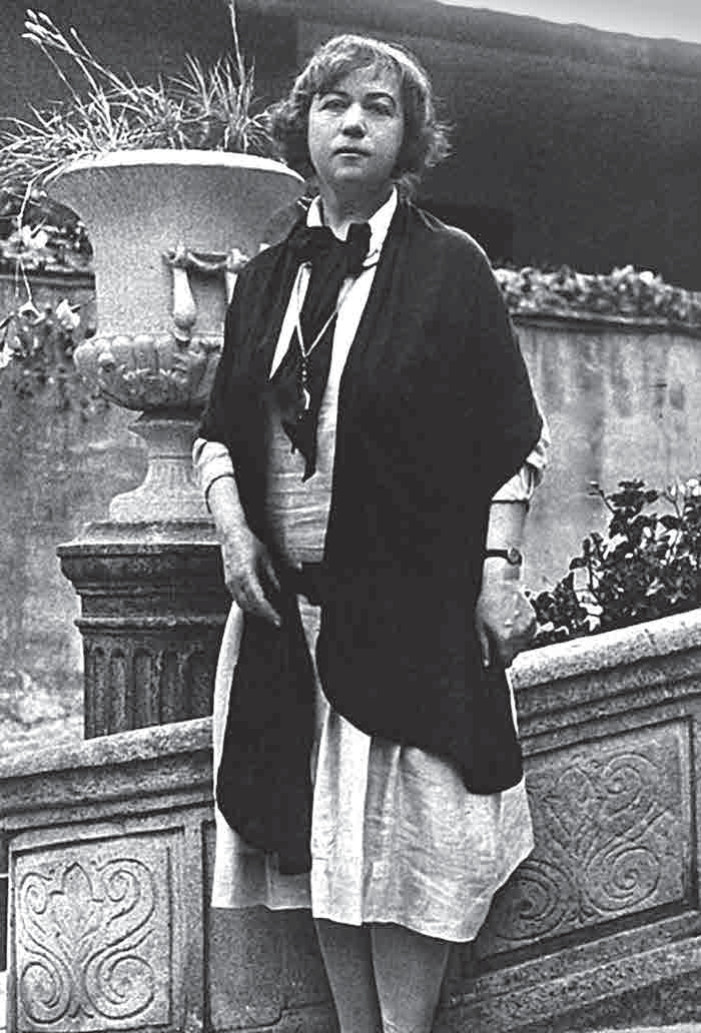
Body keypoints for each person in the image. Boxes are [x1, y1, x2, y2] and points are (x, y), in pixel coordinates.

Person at [194, 32, 548, 1033]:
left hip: (408, 614)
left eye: (377, 107)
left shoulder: (448, 266)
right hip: (286, 623)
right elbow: (217, 435)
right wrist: (233, 532)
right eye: (331, 104)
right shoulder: (265, 279)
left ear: (409, 137)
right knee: (326, 851)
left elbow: (511, 440)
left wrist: (496, 570)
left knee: (404, 853)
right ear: (303, 127)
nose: (351, 122)